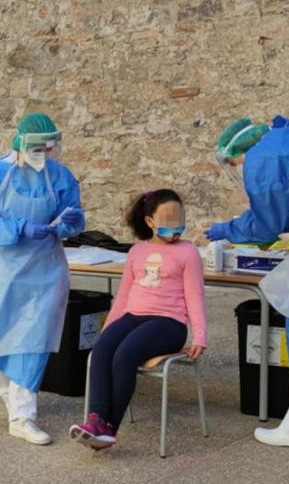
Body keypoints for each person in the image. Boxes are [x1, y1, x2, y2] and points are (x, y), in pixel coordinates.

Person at [206, 116, 289, 450]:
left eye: (235, 162)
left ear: (239, 151)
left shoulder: (261, 156)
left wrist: (228, 229)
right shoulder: (287, 137)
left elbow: (269, 222)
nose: (240, 167)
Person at [0, 113, 85, 445]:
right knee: (1, 337)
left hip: (44, 270)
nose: (44, 154)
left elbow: (72, 219)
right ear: (20, 143)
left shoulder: (60, 176)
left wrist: (69, 223)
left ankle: (22, 415)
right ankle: (11, 397)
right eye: (38, 148)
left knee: (32, 340)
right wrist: (19, 228)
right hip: (1, 271)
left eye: (50, 148)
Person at [69, 189, 207, 450]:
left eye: (179, 221)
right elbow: (123, 295)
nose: (175, 229)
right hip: (133, 316)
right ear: (150, 222)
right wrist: (110, 328)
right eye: (167, 223)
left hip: (169, 323)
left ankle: (109, 429)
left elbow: (195, 296)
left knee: (125, 354)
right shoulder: (137, 251)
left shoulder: (187, 252)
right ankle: (95, 419)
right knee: (102, 349)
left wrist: (200, 334)